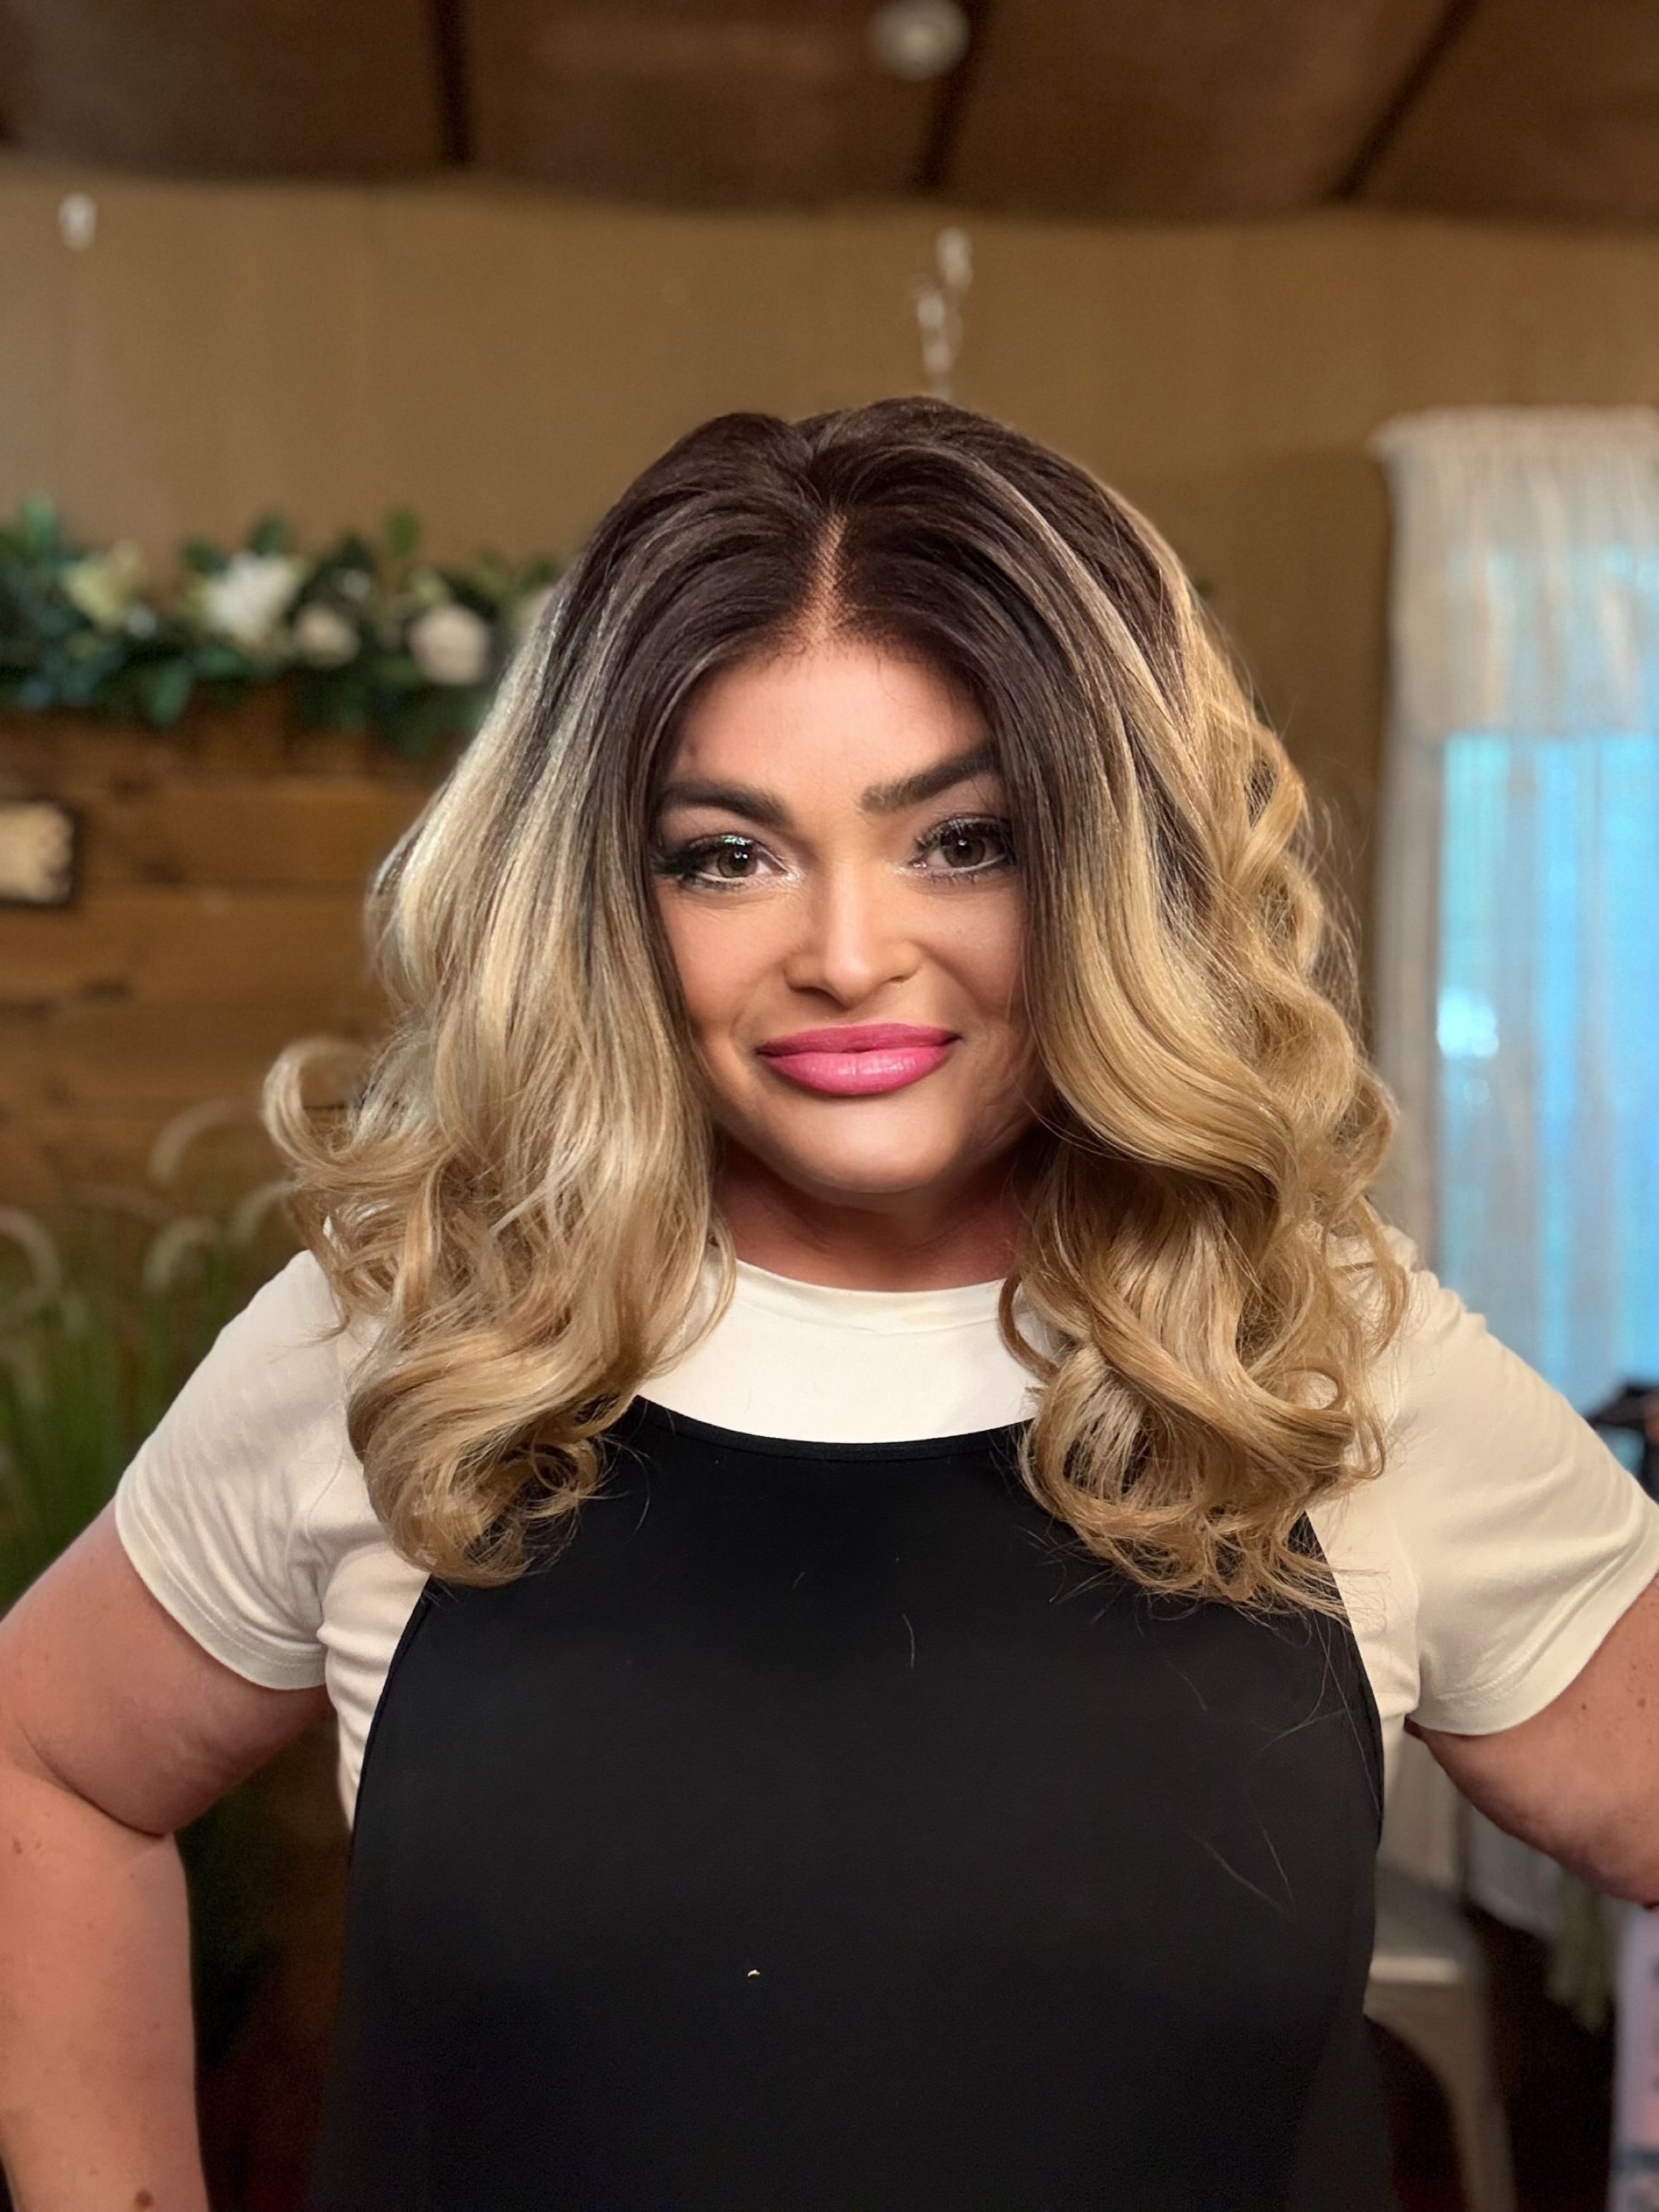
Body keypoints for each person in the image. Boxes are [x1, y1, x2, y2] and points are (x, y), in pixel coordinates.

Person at [3, 396, 1658, 2212]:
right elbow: (45, 1766)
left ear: (1114, 863)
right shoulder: (416, 1331)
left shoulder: (1317, 1351)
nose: (850, 955)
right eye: (728, 853)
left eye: (966, 838)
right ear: (606, 897)